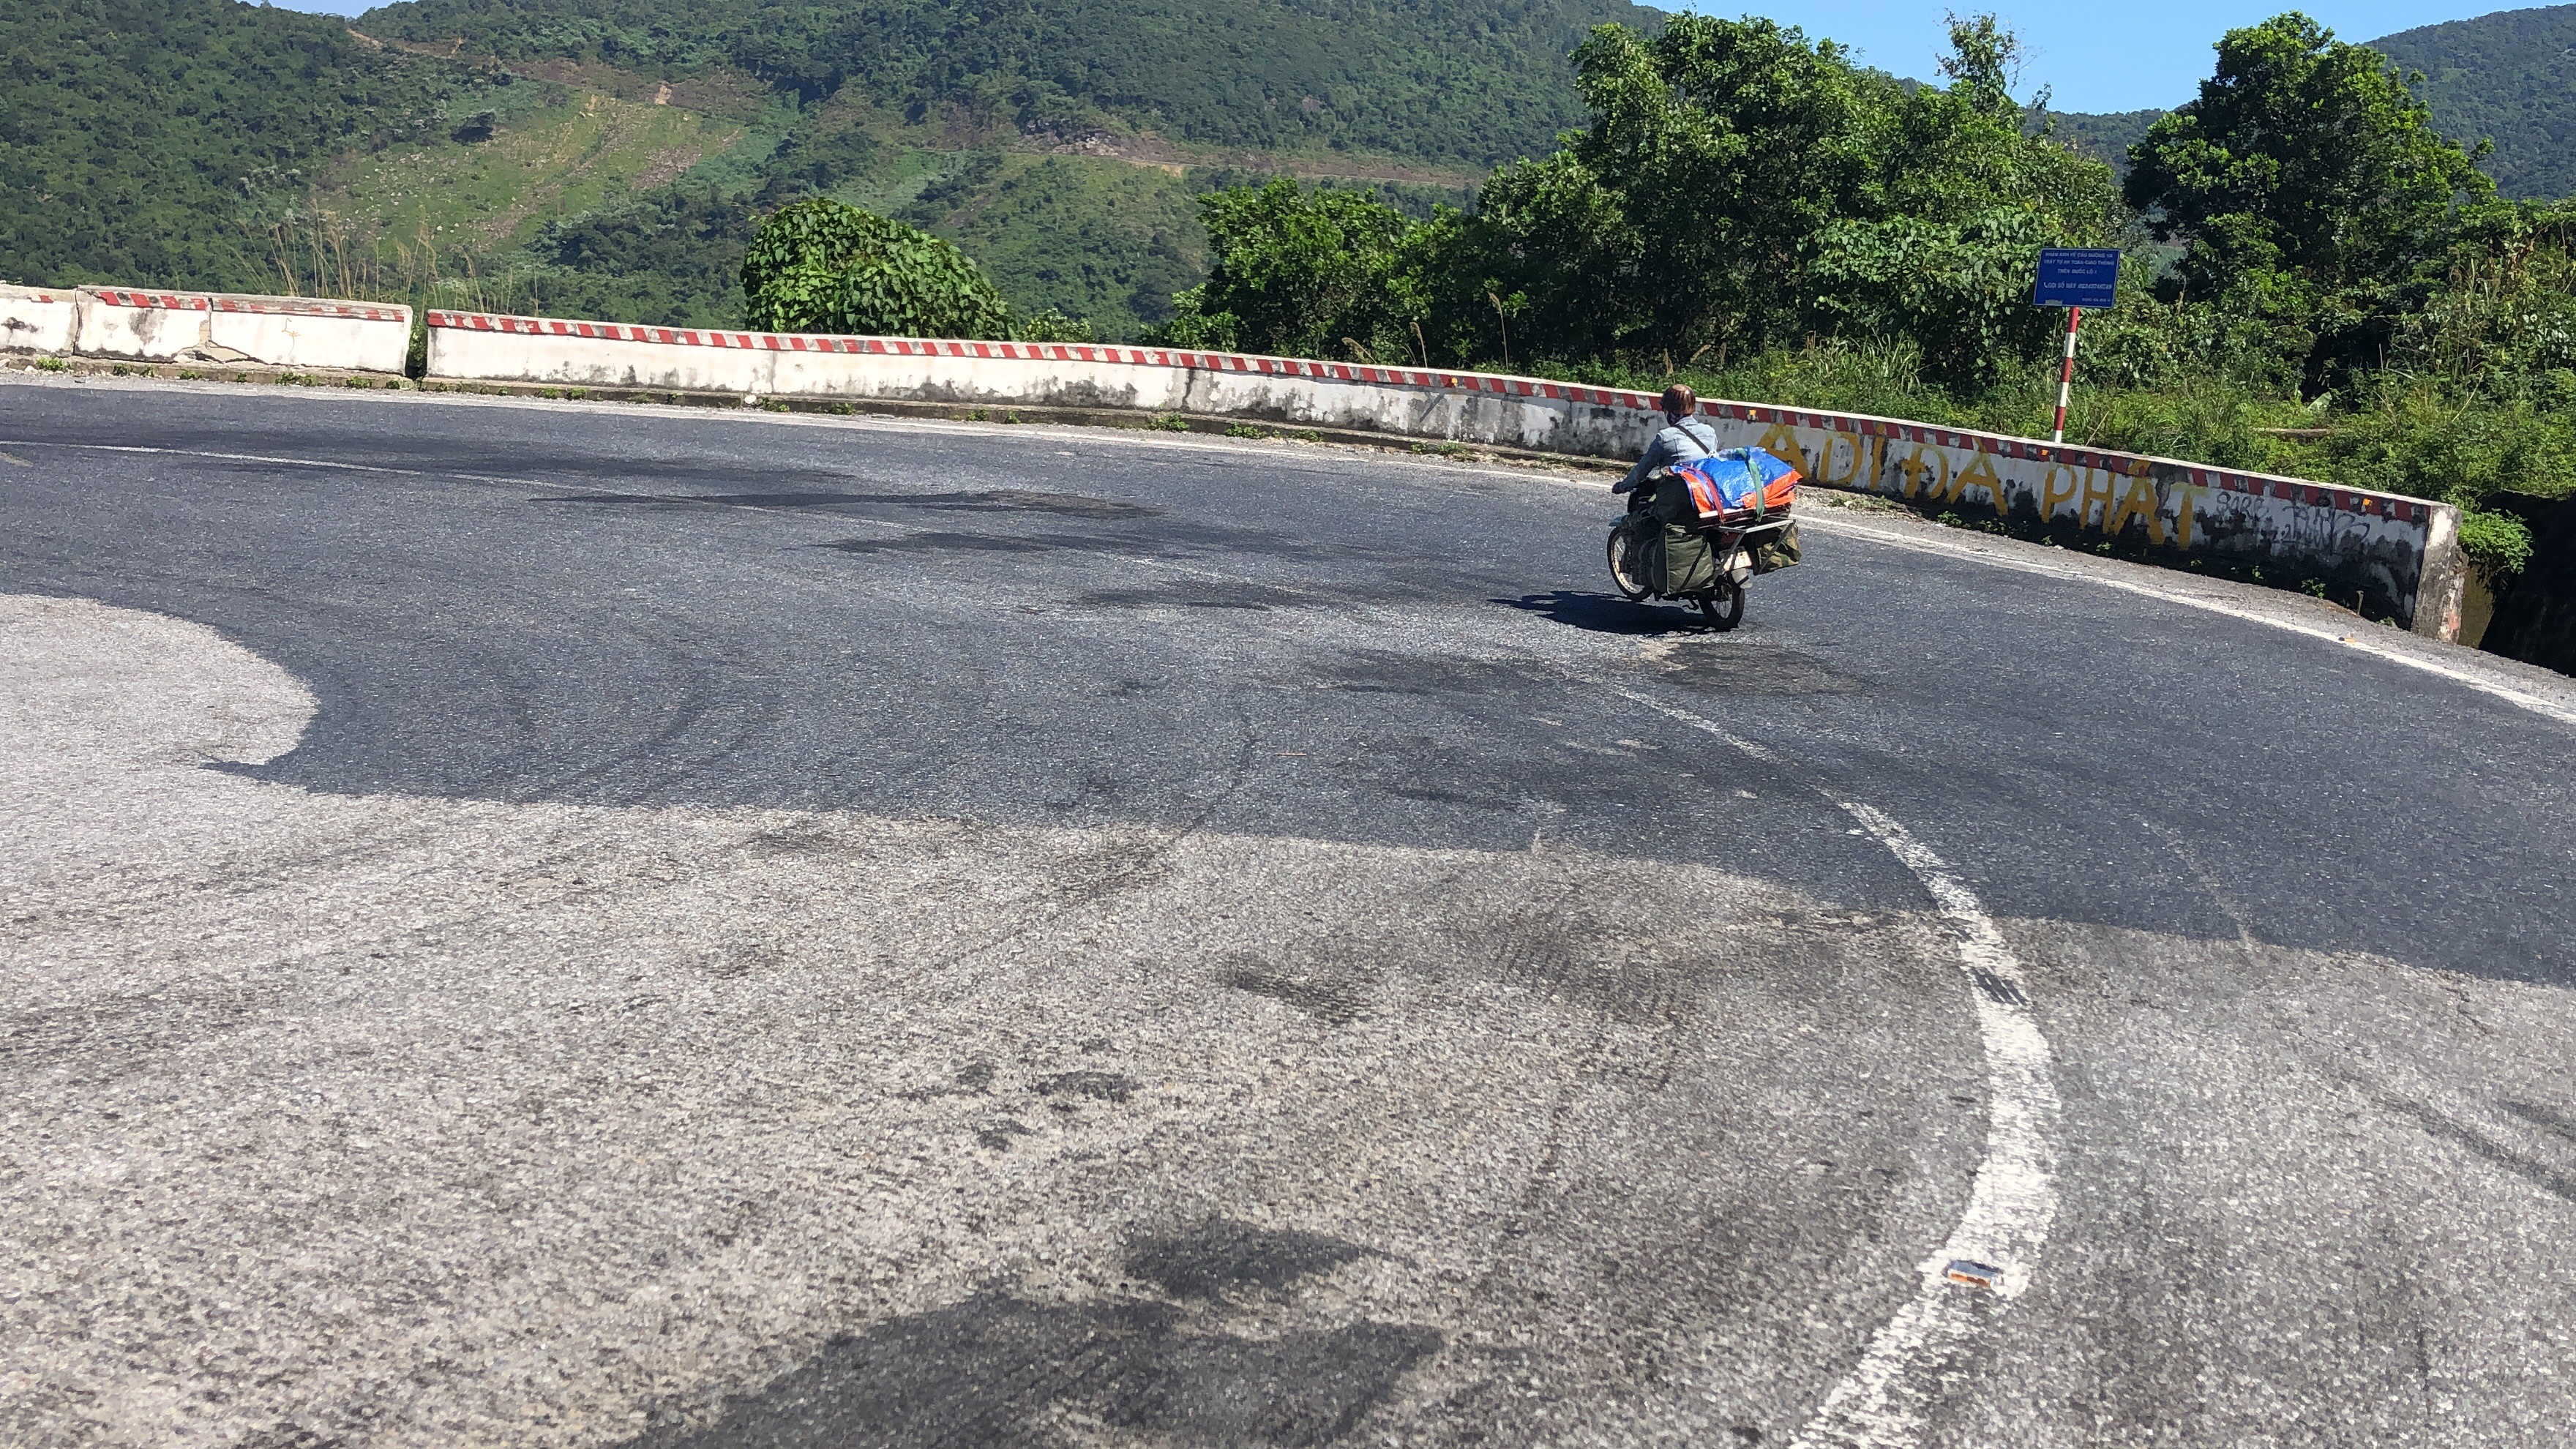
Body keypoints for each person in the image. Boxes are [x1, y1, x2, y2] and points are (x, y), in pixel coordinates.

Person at [1614, 384, 1720, 495]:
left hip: (1680, 496)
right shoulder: (1709, 432)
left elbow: (1642, 470)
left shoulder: (1665, 437)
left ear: (1669, 412)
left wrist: (1622, 487)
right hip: (1707, 494)